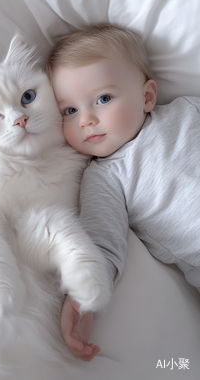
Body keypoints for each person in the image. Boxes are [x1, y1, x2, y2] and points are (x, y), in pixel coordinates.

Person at [46, 23, 200, 361]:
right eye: (69, 111)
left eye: (102, 99)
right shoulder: (105, 177)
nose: (86, 120)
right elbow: (103, 240)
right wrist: (84, 296)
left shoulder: (188, 110)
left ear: (147, 96)